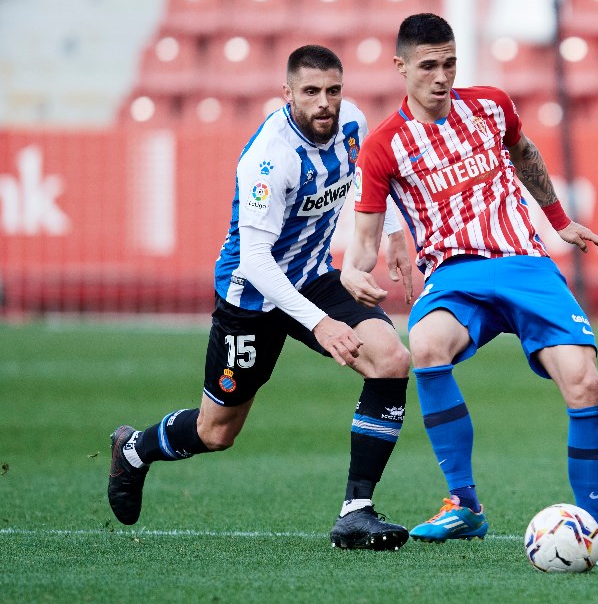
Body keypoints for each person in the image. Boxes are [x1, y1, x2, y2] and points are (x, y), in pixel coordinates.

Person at [340, 14, 598, 568]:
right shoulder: (383, 146)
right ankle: (464, 503)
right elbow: (363, 242)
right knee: (424, 343)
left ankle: (592, 533)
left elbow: (524, 154)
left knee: (585, 382)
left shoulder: (492, 105)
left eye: (450, 63)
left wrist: (558, 218)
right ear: (400, 67)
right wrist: (352, 273)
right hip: (456, 275)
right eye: (429, 65)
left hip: (526, 262)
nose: (442, 76)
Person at [108, 44, 415, 551]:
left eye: (333, 91)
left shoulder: (353, 124)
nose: (324, 103)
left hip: (314, 276)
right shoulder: (269, 159)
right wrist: (318, 323)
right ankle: (135, 449)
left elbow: (375, 175)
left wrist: (395, 231)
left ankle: (356, 512)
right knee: (217, 433)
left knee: (392, 359)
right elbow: (255, 260)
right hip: (253, 294)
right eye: (311, 92)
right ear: (287, 94)